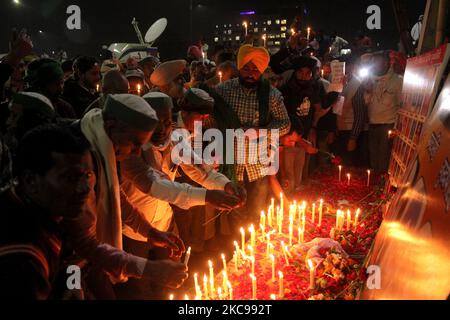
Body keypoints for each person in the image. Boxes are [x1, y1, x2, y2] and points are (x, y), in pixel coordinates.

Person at [0, 125, 94, 299]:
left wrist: (73, 285)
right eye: (71, 178)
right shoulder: (20, 261)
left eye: (87, 175)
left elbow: (71, 264)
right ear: (31, 180)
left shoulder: (51, 214)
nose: (85, 188)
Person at [215, 44, 291, 226]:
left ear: (263, 70)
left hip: (258, 165)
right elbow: (212, 120)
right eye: (246, 68)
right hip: (233, 164)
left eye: (256, 70)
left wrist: (260, 132)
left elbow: (285, 124)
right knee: (236, 213)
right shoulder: (223, 91)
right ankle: (238, 250)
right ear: (239, 67)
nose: (250, 73)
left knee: (257, 213)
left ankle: (254, 249)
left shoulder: (271, 94)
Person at [279, 56, 327, 191]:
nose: (304, 77)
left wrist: (313, 127)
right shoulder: (286, 91)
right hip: (288, 140)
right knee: (288, 177)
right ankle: (286, 203)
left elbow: (318, 109)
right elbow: (286, 120)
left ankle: (295, 202)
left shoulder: (314, 88)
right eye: (301, 73)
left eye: (308, 74)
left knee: (300, 175)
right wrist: (301, 141)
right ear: (295, 73)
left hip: (305, 136)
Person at [365, 51, 403, 173]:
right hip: (372, 126)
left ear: (386, 63)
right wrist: (368, 91)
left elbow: (401, 106)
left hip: (387, 126)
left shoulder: (397, 81)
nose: (374, 65)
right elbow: (366, 103)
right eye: (373, 62)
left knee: (384, 160)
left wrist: (396, 128)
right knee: (373, 159)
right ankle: (374, 186)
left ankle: (382, 187)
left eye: (377, 62)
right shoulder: (370, 81)